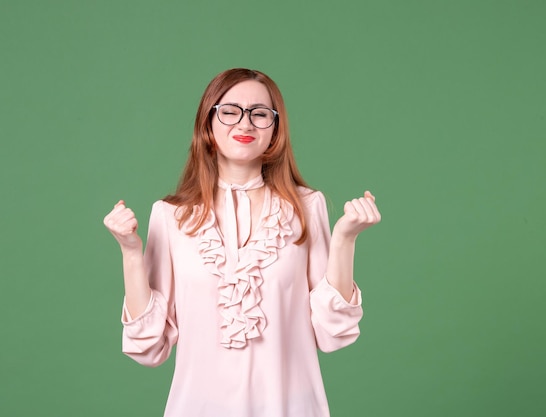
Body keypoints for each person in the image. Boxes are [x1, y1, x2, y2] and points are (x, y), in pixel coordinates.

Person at [103, 68, 381, 417]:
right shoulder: (170, 216)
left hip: (291, 407)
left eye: (260, 114)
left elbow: (333, 333)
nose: (245, 124)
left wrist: (345, 239)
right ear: (208, 123)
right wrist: (130, 252)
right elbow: (148, 348)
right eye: (230, 110)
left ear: (275, 129)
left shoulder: (308, 206)